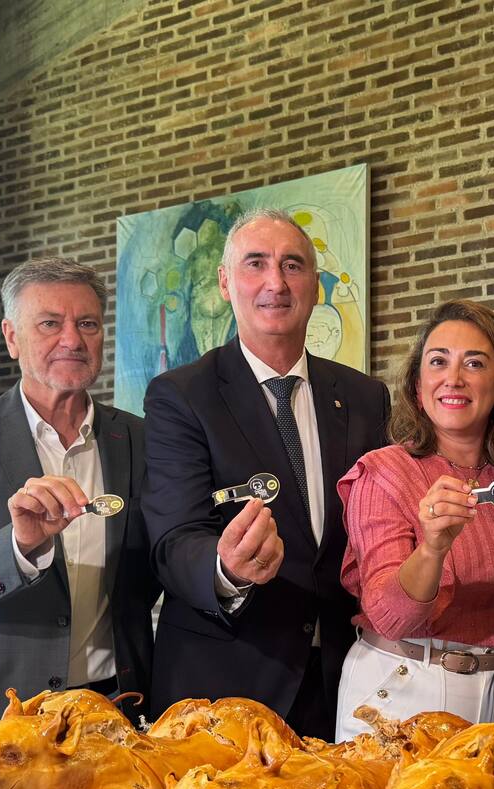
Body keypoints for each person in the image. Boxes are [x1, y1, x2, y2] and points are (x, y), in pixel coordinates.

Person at [141, 208, 389, 741]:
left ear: (315, 287)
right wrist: (226, 568)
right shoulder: (181, 396)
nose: (276, 282)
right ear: (225, 283)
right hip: (227, 689)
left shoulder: (366, 398)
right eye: (256, 264)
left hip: (342, 687)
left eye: (292, 265)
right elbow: (172, 538)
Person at [0, 257, 161, 729]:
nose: (73, 339)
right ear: (11, 338)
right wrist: (19, 545)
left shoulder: (141, 439)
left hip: (114, 706)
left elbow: (154, 567)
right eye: (50, 323)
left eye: (87, 324)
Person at [333, 300, 494, 740]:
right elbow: (391, 618)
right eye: (438, 362)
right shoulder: (383, 473)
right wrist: (433, 549)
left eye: (474, 363)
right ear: (418, 387)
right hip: (402, 693)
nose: (454, 378)